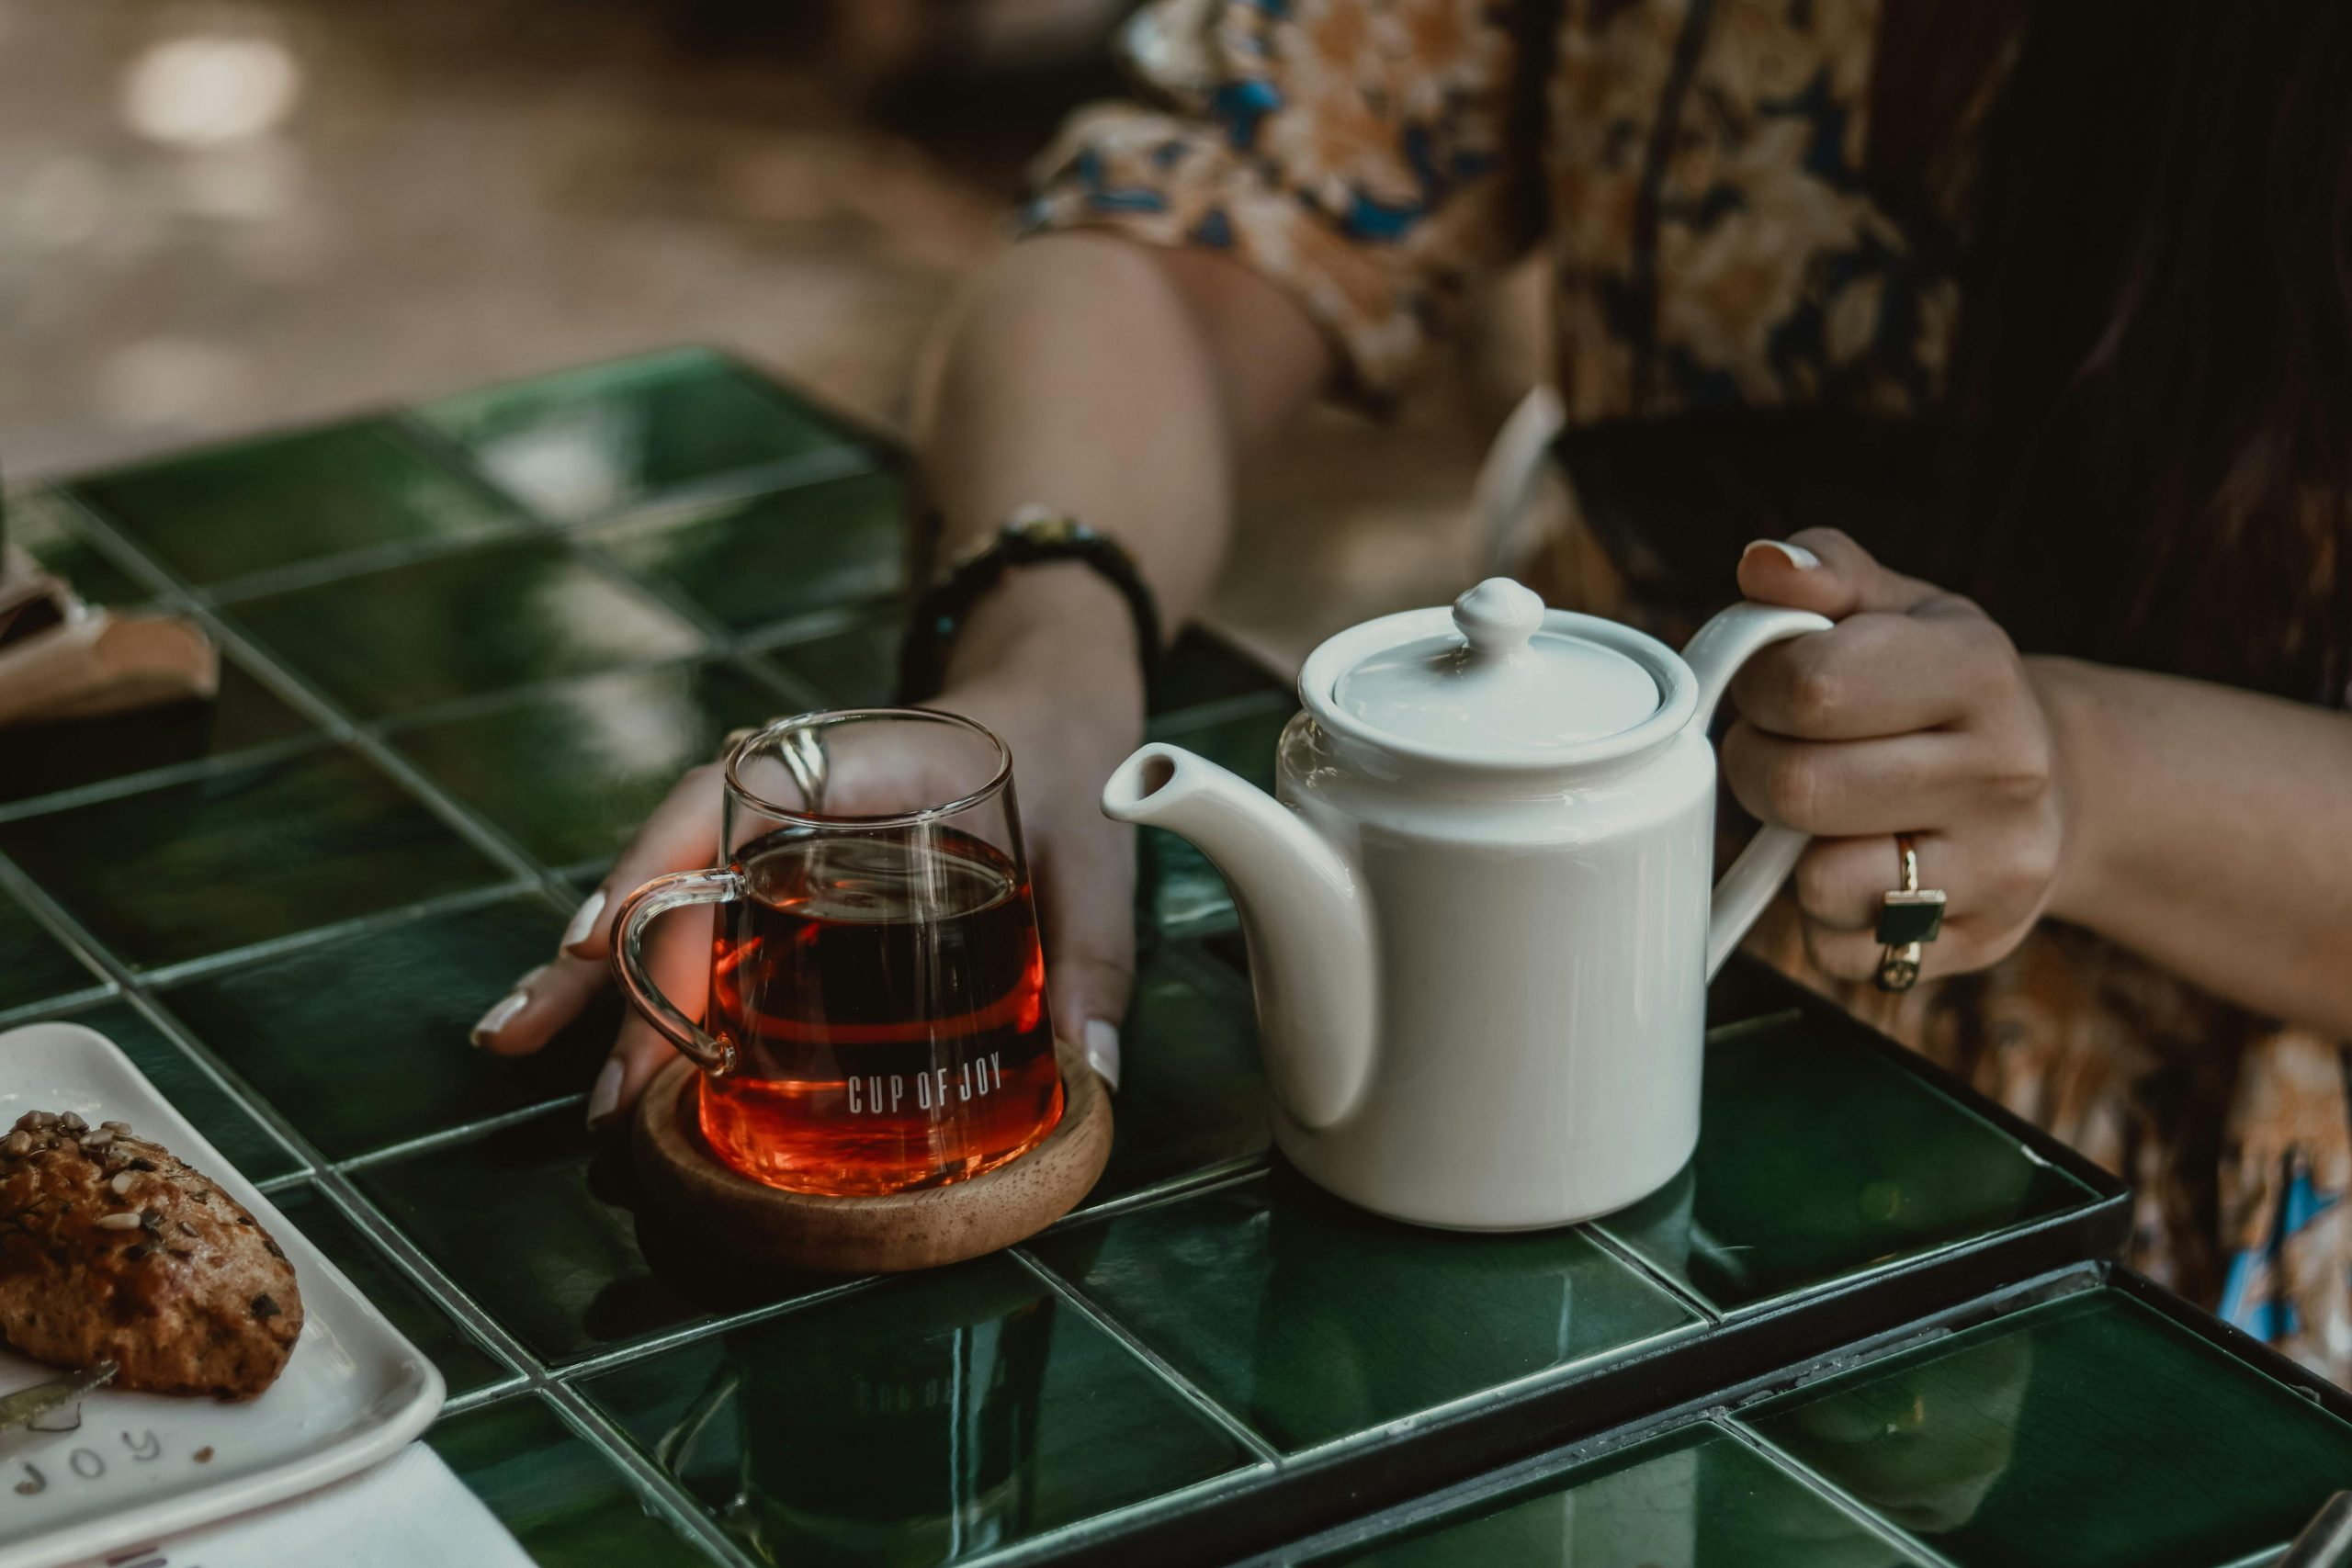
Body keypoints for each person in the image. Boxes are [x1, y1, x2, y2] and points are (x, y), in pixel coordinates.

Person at [476, 0, 2352, 1376]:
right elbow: (1170, 224)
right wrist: (1043, 650)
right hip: (1544, 1080)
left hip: (2185, 1251)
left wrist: (2082, 778)